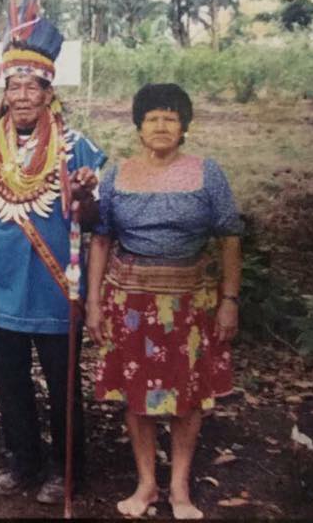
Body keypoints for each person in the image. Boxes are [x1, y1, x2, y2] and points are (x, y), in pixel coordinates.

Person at [0, 0, 106, 505]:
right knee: (11, 383)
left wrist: (85, 194)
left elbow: (93, 220)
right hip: (2, 288)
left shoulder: (77, 148)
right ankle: (23, 463)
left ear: (49, 93)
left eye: (33, 86)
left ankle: (67, 472)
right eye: (14, 86)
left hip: (54, 287)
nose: (23, 95)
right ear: (4, 93)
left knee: (62, 388)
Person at [86, 83, 242, 520]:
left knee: (186, 398)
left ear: (184, 128)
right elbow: (100, 240)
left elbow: (230, 236)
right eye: (152, 118)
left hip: (190, 305)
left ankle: (180, 490)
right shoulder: (117, 175)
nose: (160, 126)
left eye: (170, 118)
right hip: (130, 304)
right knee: (137, 397)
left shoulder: (206, 173)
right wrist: (94, 304)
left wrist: (230, 299)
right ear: (138, 126)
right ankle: (146, 485)